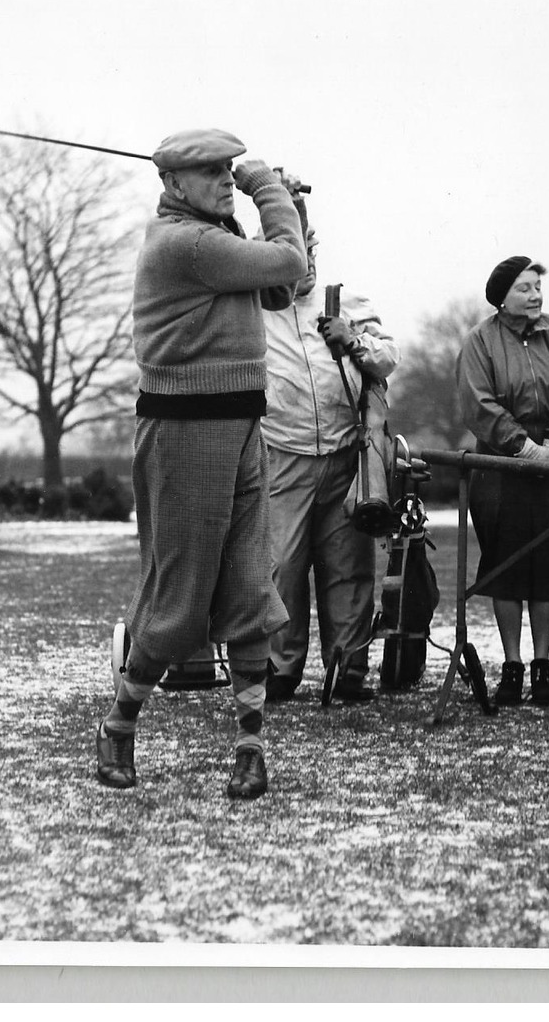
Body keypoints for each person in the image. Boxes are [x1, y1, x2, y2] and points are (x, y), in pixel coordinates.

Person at [95, 127, 308, 800]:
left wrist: (290, 211)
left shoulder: (216, 239)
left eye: (229, 168)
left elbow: (280, 291)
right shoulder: (186, 244)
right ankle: (119, 727)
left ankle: (250, 748)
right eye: (211, 171)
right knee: (180, 605)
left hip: (244, 424)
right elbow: (285, 266)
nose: (225, 177)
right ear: (174, 185)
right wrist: (270, 188)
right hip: (186, 433)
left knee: (249, 589)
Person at [262, 229, 400, 703]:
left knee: (348, 568)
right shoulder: (253, 310)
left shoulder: (345, 300)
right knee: (281, 565)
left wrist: (354, 338)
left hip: (347, 455)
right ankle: (280, 667)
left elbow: (388, 358)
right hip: (283, 456)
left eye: (308, 253)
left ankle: (349, 667)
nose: (303, 264)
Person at [456, 256, 549, 707]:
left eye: (537, 287)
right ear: (502, 296)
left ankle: (542, 664)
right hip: (500, 465)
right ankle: (511, 664)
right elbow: (478, 402)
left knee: (546, 559)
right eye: (525, 288)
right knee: (506, 560)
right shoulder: (480, 341)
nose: (535, 296)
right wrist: (519, 446)